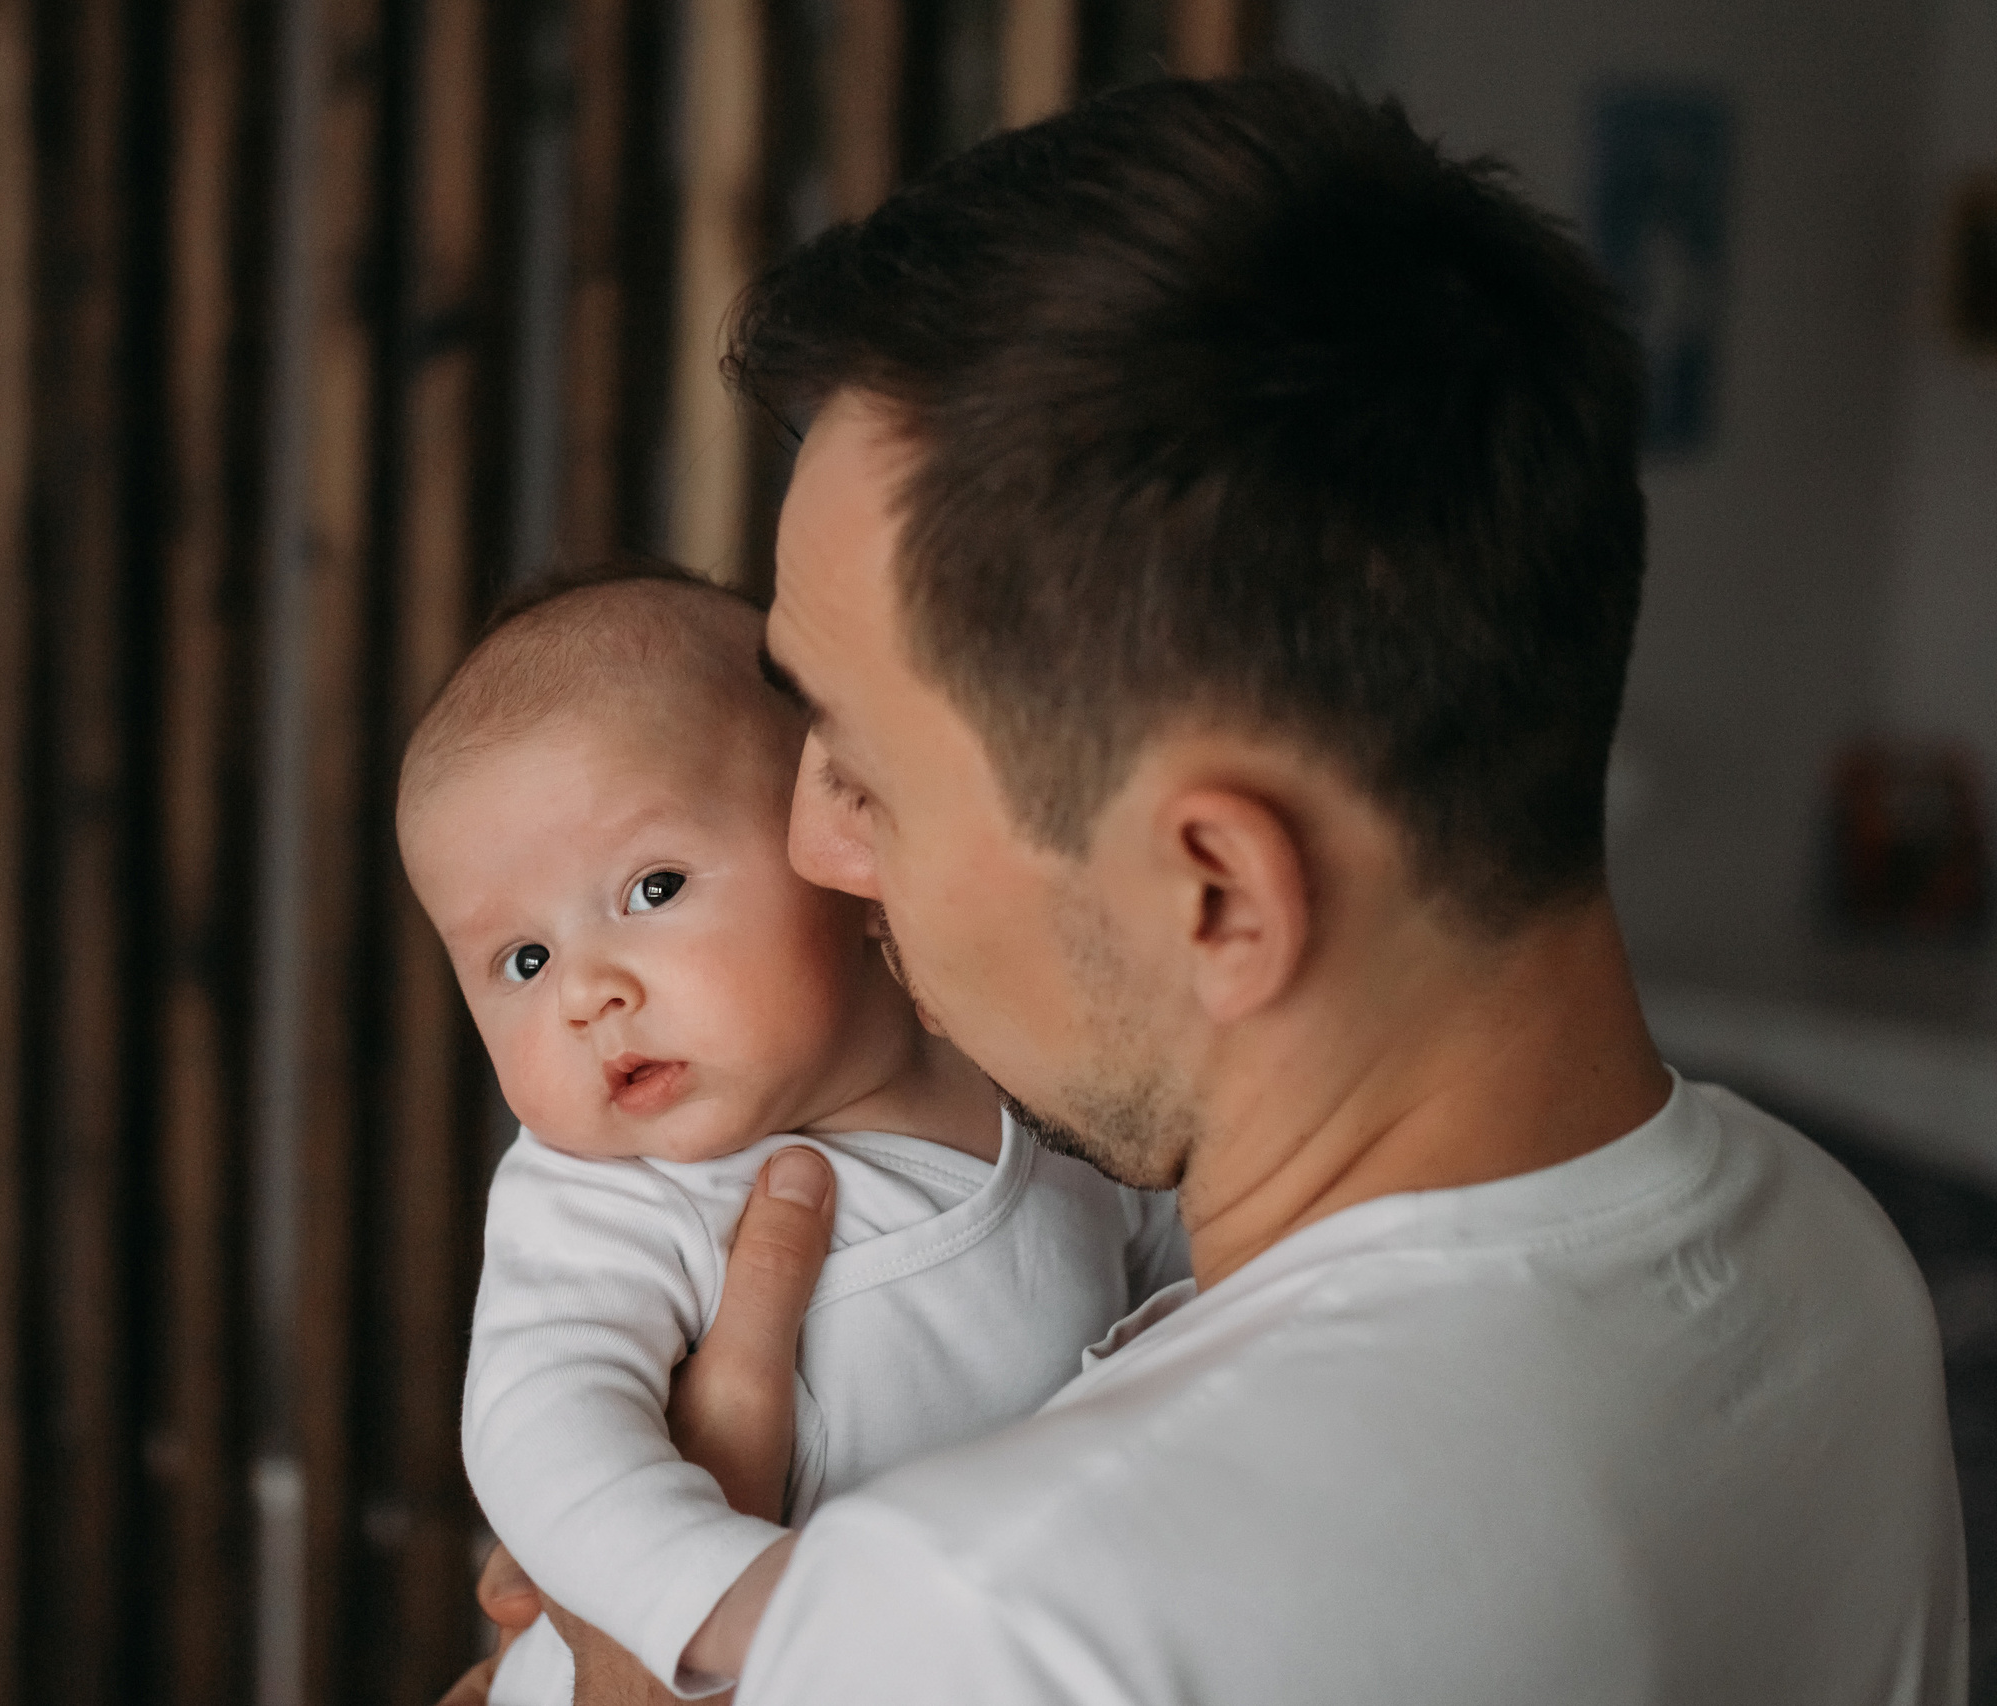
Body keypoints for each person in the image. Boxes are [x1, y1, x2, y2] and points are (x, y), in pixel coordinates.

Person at [446, 69, 1968, 1705]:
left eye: (864, 775)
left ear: (1219, 894)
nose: (816, 849)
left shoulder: (993, 1621)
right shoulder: (1840, 1264)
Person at [399, 568, 1187, 1705]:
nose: (585, 992)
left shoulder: (1029, 1080)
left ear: (836, 835)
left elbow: (1183, 1269)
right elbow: (543, 1432)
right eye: (521, 960)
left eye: (653, 885)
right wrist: (731, 1595)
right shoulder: (607, 1192)